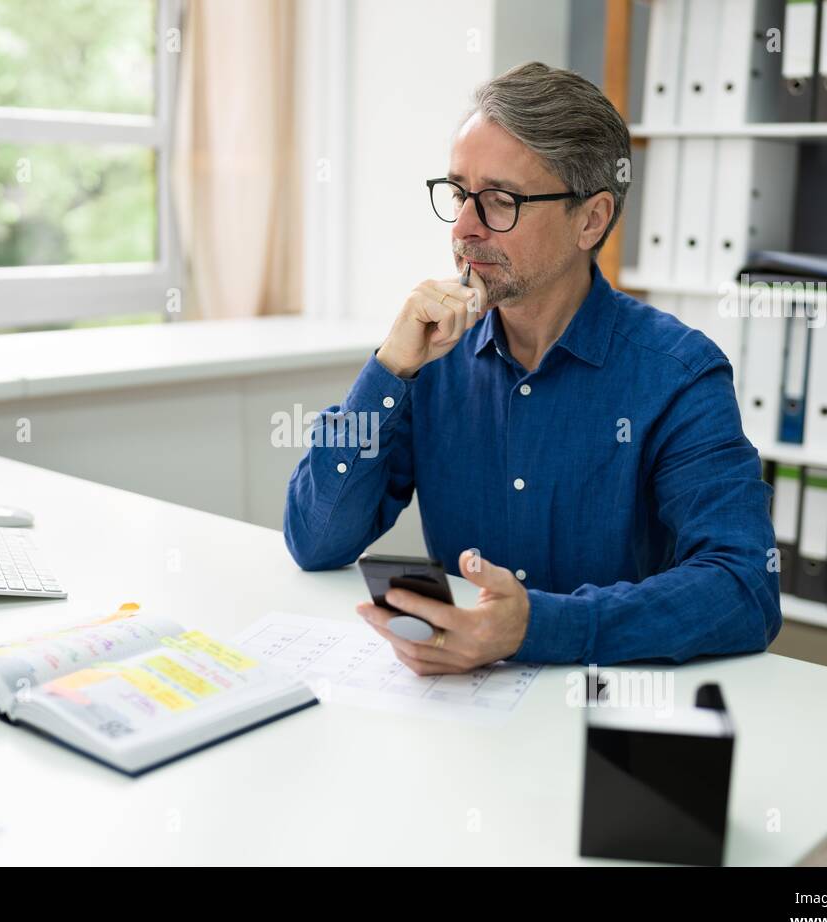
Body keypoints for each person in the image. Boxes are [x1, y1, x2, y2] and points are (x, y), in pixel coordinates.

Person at [283, 62, 781, 674]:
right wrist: (389, 371)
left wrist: (538, 627)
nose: (464, 228)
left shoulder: (678, 374)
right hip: (460, 709)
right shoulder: (431, 356)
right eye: (459, 193)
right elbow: (315, 539)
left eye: (499, 201)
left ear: (591, 219)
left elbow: (744, 588)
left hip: (607, 710)